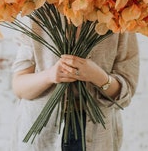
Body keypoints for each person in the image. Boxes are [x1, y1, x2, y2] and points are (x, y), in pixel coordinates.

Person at [11, 22, 139, 151]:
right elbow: (19, 87)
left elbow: (125, 93)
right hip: (41, 135)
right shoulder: (36, 17)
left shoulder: (119, 19)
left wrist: (98, 76)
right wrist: (50, 76)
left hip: (97, 134)